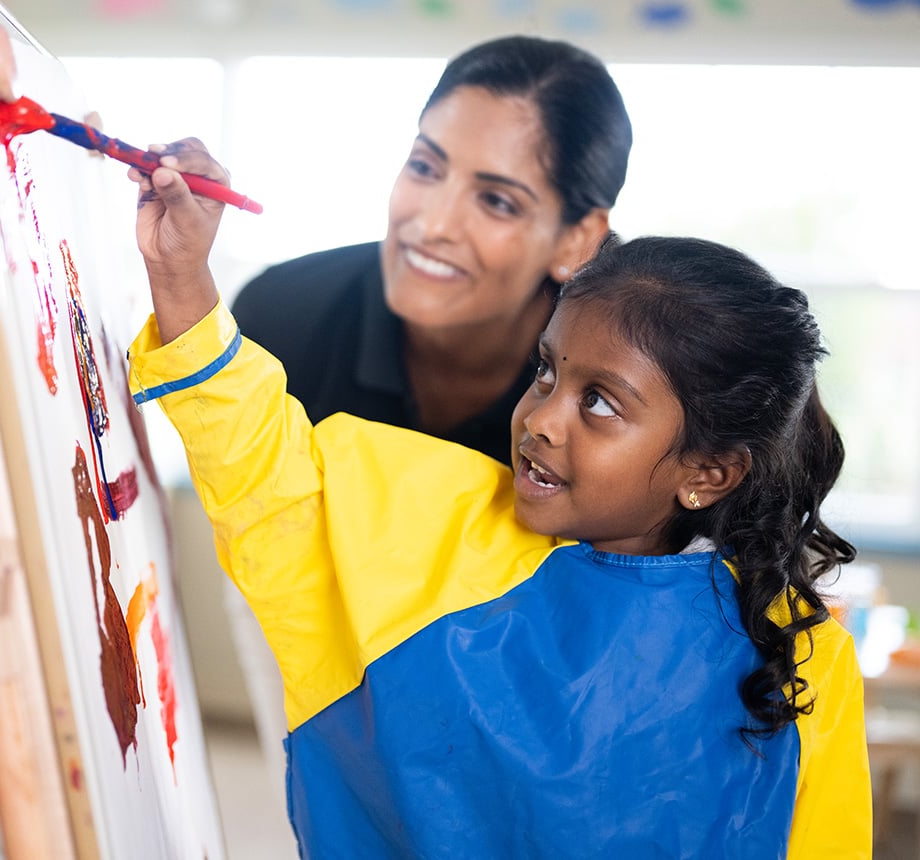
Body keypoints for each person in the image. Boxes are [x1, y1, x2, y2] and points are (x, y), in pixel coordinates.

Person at [124, 145, 872, 857]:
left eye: (601, 404)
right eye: (546, 372)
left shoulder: (795, 654)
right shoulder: (437, 522)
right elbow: (265, 464)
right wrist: (184, 277)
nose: (541, 417)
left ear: (708, 473)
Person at [231, 34, 632, 466]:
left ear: (578, 240)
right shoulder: (274, 321)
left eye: (497, 201)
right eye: (425, 167)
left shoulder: (627, 385)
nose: (432, 224)